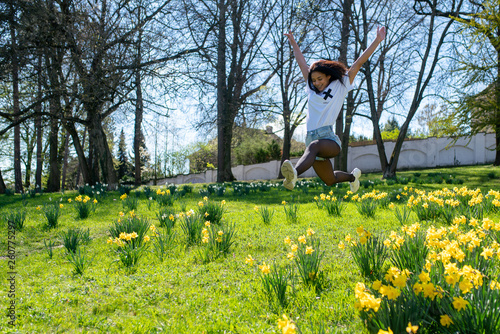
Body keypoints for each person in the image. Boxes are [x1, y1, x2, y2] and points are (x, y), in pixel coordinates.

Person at [281, 27, 386, 192]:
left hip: (328, 139)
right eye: (314, 80)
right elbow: (301, 62)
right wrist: (293, 42)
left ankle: (294, 174)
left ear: (328, 75)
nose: (316, 83)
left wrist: (377, 40)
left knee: (315, 146)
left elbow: (359, 62)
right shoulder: (311, 88)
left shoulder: (341, 84)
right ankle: (353, 177)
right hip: (311, 141)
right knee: (330, 180)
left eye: (319, 79)